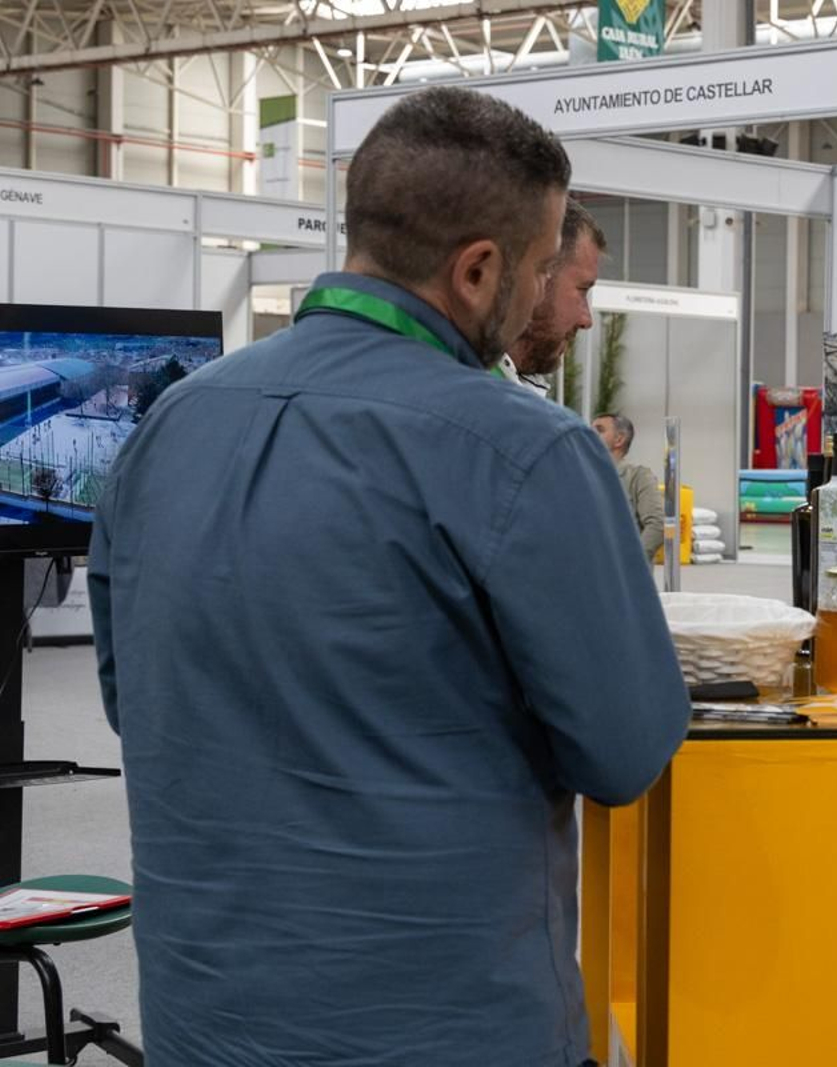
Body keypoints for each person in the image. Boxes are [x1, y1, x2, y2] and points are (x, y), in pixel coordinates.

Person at [88, 86, 689, 1067]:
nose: (548, 302)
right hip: (447, 1024)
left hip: (206, 1020)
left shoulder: (168, 427)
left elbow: (136, 698)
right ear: (479, 268)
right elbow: (624, 752)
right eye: (543, 272)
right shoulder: (522, 452)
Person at [500, 200, 605, 392]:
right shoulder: (462, 391)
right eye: (582, 290)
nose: (586, 320)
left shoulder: (511, 387)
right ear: (533, 277)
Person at [592, 411, 665, 560]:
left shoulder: (638, 476)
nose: (589, 435)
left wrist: (631, 561)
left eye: (599, 430)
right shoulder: (583, 476)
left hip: (620, 574)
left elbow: (657, 524)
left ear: (619, 439)